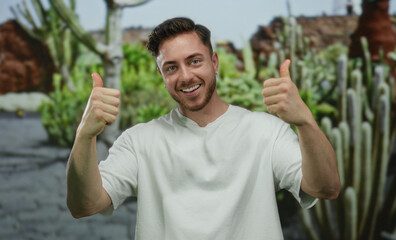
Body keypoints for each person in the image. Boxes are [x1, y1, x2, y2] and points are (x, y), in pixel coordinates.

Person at [66, 17, 341, 239]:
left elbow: (326, 188)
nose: (185, 76)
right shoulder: (139, 141)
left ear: (215, 62)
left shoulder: (265, 131)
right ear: (162, 76)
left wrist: (304, 120)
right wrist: (85, 135)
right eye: (171, 68)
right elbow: (84, 205)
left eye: (194, 61)